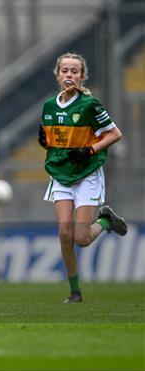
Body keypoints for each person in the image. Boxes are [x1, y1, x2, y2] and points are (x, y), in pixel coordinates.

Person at [38, 52, 127, 303]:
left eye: (74, 71)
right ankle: (75, 292)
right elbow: (54, 139)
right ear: (58, 75)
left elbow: (114, 133)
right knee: (64, 234)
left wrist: (89, 150)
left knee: (82, 238)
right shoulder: (49, 106)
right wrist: (46, 141)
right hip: (61, 174)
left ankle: (106, 222)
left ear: (82, 76)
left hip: (86, 174)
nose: (69, 75)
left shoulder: (90, 105)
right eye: (65, 71)